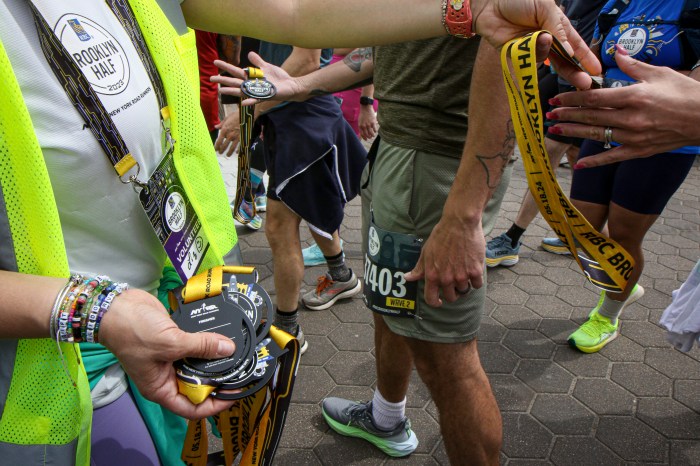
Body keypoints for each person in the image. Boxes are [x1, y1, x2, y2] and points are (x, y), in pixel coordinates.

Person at [0, 0, 599, 463]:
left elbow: (295, 13)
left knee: (439, 349)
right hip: (65, 364)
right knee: (391, 312)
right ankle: (385, 407)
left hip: (172, 315)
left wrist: (466, 11)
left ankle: (383, 400)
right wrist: (94, 309)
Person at [215, 32, 522, 463]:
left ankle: (388, 418)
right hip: (402, 154)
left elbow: (513, 57)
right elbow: (390, 48)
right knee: (390, 307)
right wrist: (299, 86)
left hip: (432, 166)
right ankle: (385, 417)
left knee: (445, 356)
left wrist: (465, 216)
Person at [546, 0, 700, 354]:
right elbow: (595, 61)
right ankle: (626, 284)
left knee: (624, 233)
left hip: (664, 142)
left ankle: (608, 313)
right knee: (580, 227)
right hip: (605, 130)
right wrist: (559, 52)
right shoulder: (620, 4)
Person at [485, 0, 607, 267]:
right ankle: (590, 238)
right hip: (561, 76)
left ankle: (513, 238)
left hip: (585, 84)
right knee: (576, 158)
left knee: (547, 154)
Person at [548, 50, 700, 167]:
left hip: (662, 137)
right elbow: (594, 57)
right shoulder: (612, 8)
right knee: (584, 200)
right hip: (607, 121)